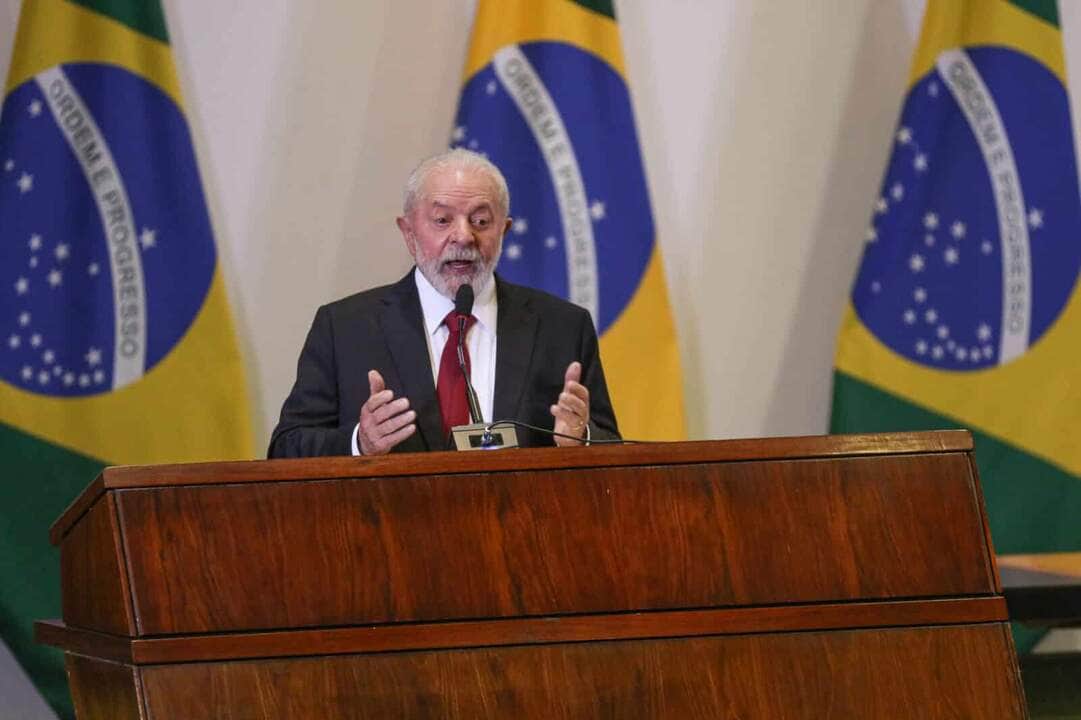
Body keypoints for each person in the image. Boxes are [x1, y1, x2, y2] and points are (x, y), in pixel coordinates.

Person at [268, 149, 619, 457]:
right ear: (408, 232)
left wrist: (581, 440)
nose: (464, 236)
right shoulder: (345, 328)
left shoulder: (562, 328)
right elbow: (286, 448)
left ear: (504, 231)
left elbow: (613, 452)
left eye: (481, 221)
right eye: (442, 220)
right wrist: (361, 442)